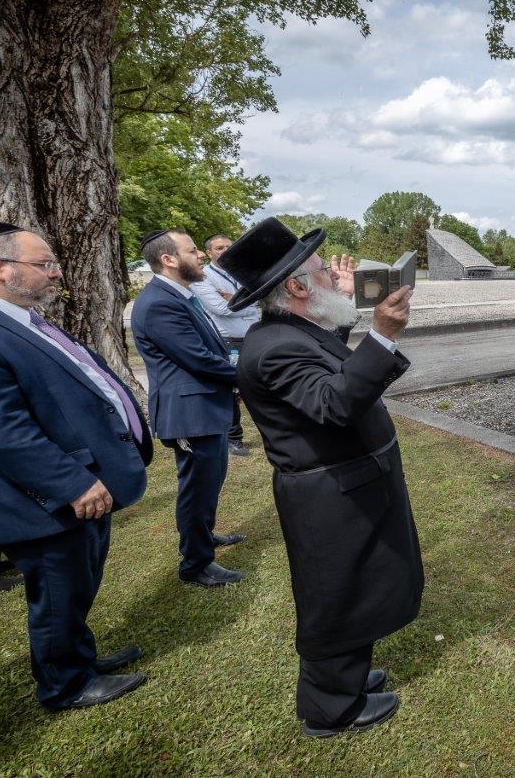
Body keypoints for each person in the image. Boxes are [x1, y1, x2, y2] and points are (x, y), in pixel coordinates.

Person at [217, 218, 421, 738]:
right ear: (297, 287)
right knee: (336, 597)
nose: (333, 274)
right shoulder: (275, 348)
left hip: (346, 486)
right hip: (329, 496)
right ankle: (330, 709)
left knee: (359, 587)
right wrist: (383, 334)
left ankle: (346, 678)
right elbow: (334, 402)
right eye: (323, 271)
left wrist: (349, 310)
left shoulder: (289, 331)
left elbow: (326, 355)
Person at [0, 222, 151, 710]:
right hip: (44, 498)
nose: (56, 273)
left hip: (82, 480)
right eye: (44, 264)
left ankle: (78, 657)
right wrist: (71, 483)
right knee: (56, 590)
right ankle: (65, 684)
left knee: (76, 583)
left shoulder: (16, 317)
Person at [131, 229, 244, 588]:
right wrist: (248, 376)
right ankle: (196, 564)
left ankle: (203, 536)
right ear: (168, 259)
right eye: (192, 250)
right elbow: (198, 359)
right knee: (197, 488)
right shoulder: (159, 303)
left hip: (204, 407)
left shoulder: (178, 294)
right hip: (189, 414)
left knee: (209, 483)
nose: (201, 256)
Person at [191, 233, 261, 458]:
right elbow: (221, 309)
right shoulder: (202, 278)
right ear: (209, 252)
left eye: (228, 247)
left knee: (262, 384)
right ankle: (234, 439)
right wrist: (253, 302)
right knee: (233, 389)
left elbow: (262, 297)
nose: (225, 251)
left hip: (255, 334)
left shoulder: (241, 271)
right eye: (219, 248)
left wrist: (237, 300)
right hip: (229, 340)